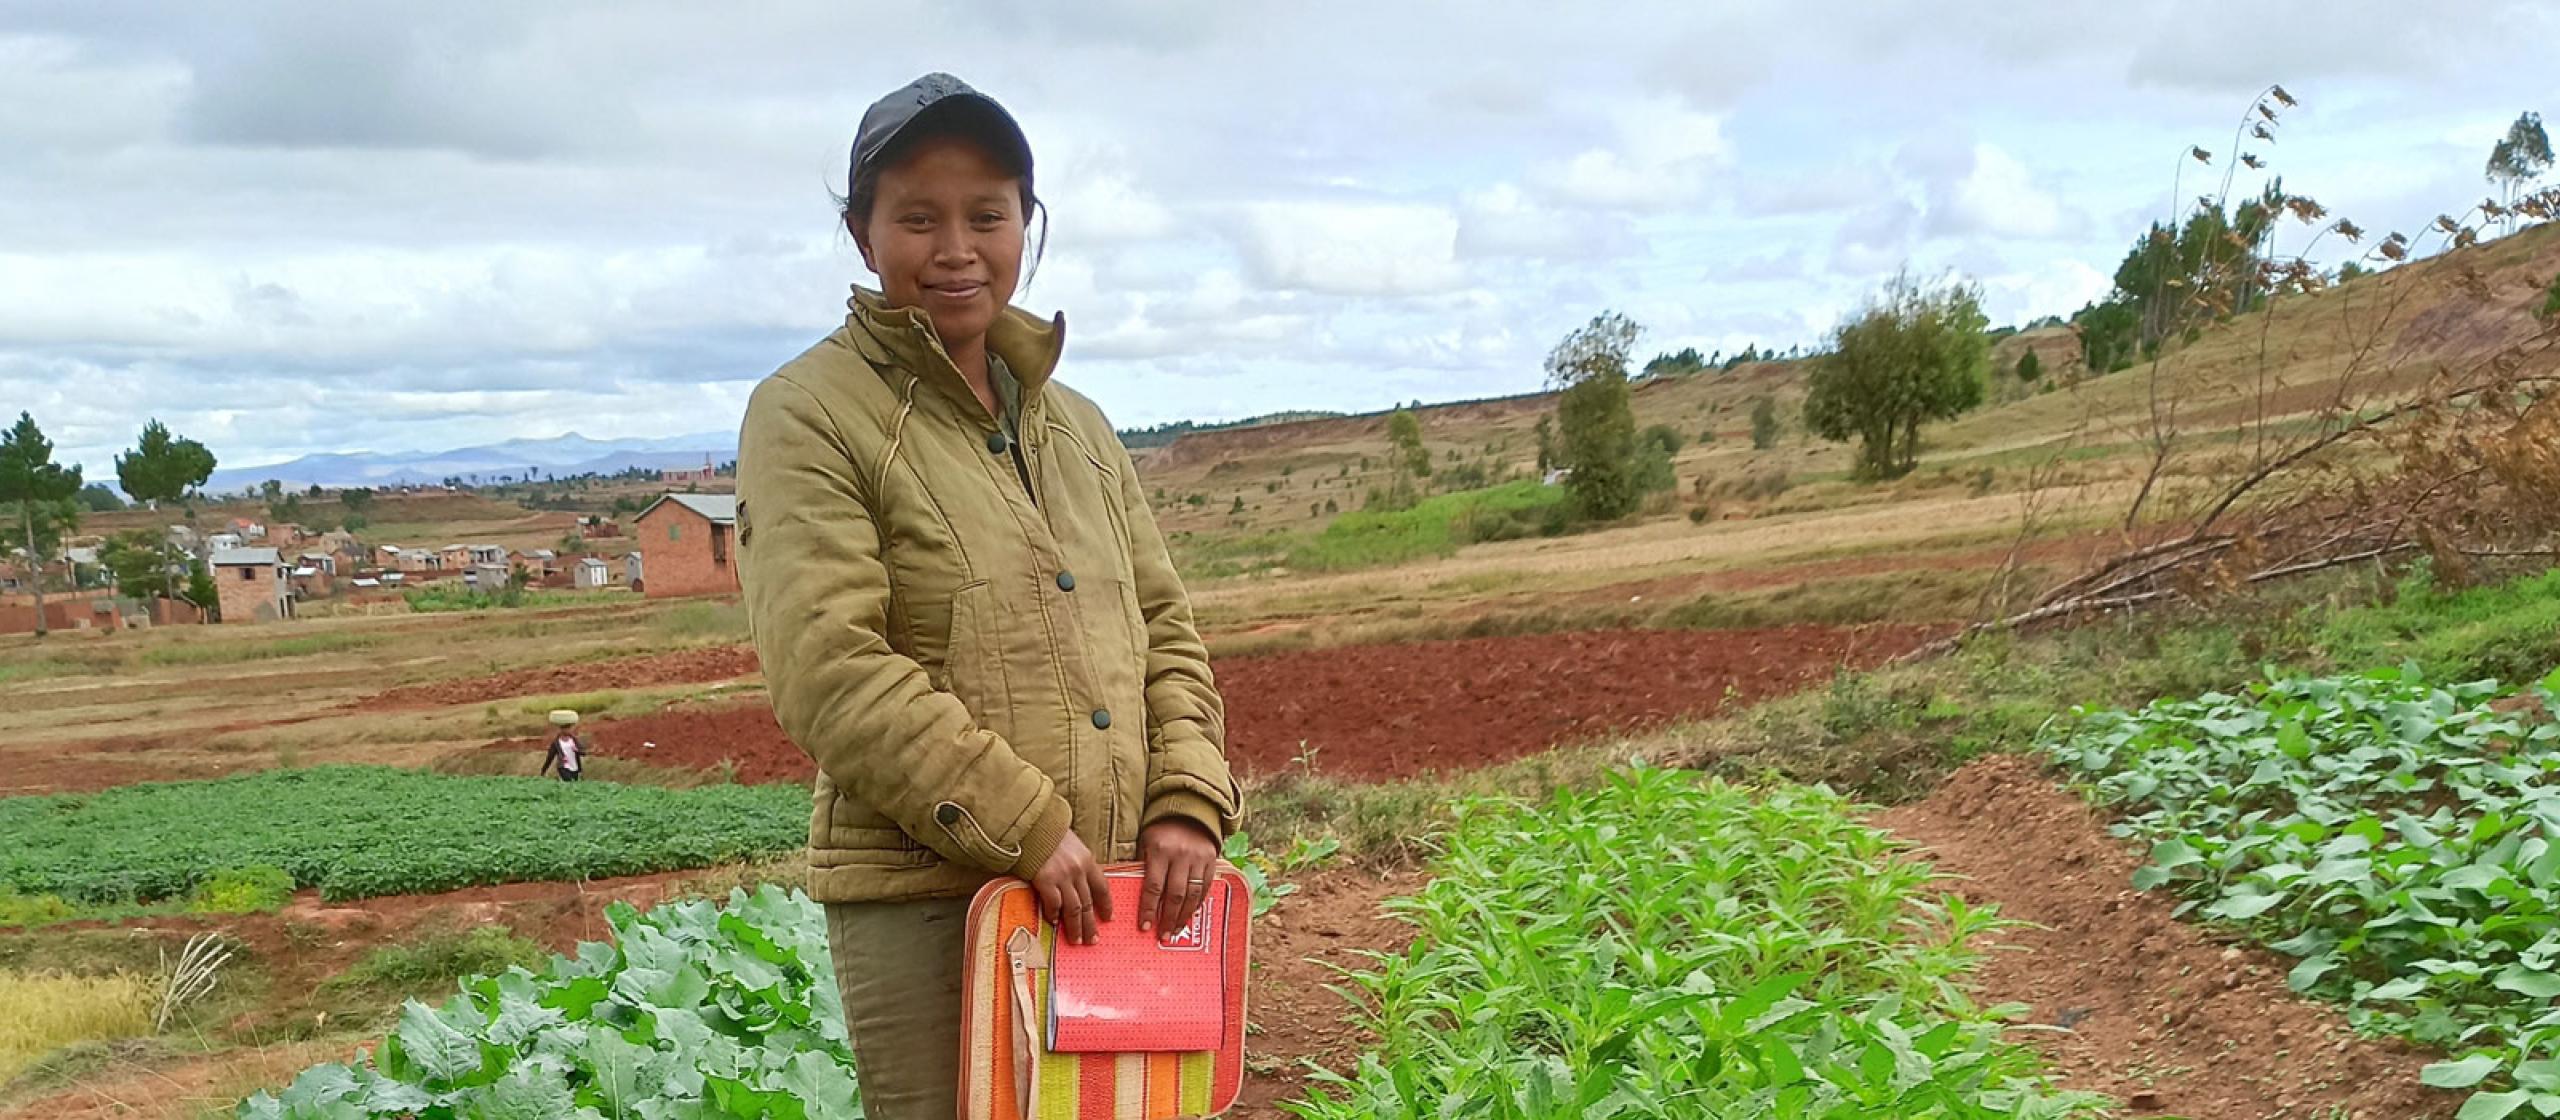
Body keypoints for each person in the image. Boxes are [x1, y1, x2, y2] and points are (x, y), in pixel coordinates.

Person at [734, 73, 1241, 1118]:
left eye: (987, 214)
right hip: (931, 901)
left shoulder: (1082, 429)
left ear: (1027, 225)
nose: (956, 247)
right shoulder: (807, 414)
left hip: (1118, 893)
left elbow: (1164, 628)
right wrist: (1021, 826)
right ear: (862, 234)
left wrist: (1186, 797)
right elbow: (830, 667)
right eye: (916, 217)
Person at [539, 709, 587, 783]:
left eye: (569, 728)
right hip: (563, 767)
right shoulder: (556, 743)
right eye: (566, 728)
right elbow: (550, 757)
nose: (569, 730)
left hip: (575, 767)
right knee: (568, 782)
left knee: (574, 785)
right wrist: (543, 771)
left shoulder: (574, 740)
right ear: (561, 730)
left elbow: (583, 753)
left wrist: (577, 750)